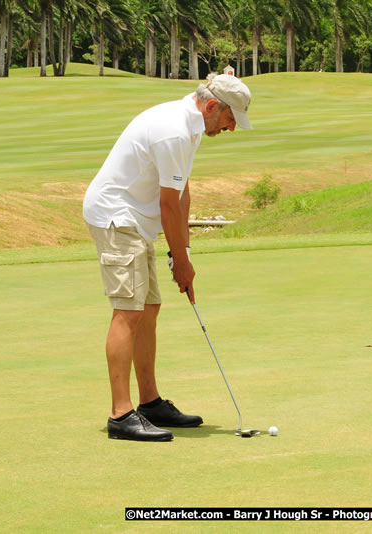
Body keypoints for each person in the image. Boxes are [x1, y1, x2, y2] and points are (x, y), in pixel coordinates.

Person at [82, 73, 253, 442]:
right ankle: (121, 414)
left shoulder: (190, 127)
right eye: (230, 119)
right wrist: (182, 261)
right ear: (212, 106)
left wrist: (183, 254)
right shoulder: (174, 129)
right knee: (128, 311)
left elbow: (181, 193)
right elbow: (167, 207)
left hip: (136, 220)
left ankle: (150, 402)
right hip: (116, 215)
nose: (232, 128)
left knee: (149, 308)